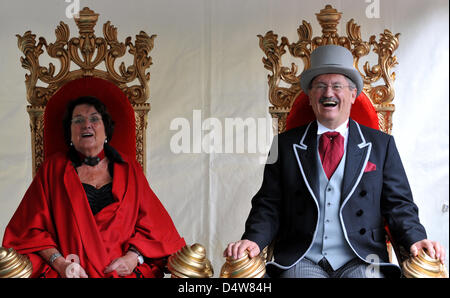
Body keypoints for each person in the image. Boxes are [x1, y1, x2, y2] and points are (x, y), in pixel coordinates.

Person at [224, 45, 445, 278]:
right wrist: (253, 240)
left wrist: (417, 238)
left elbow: (399, 206)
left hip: (362, 258)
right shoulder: (284, 145)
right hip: (303, 257)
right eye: (320, 86)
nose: (328, 93)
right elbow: (268, 204)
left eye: (337, 86)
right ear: (310, 97)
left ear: (353, 95)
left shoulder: (382, 145)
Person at [2, 96, 186, 278]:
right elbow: (28, 230)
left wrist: (133, 258)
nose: (86, 124)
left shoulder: (130, 168)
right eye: (78, 120)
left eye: (94, 119)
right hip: (69, 273)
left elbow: (158, 229)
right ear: (70, 132)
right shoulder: (53, 169)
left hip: (123, 275)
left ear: (106, 130)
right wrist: (60, 264)